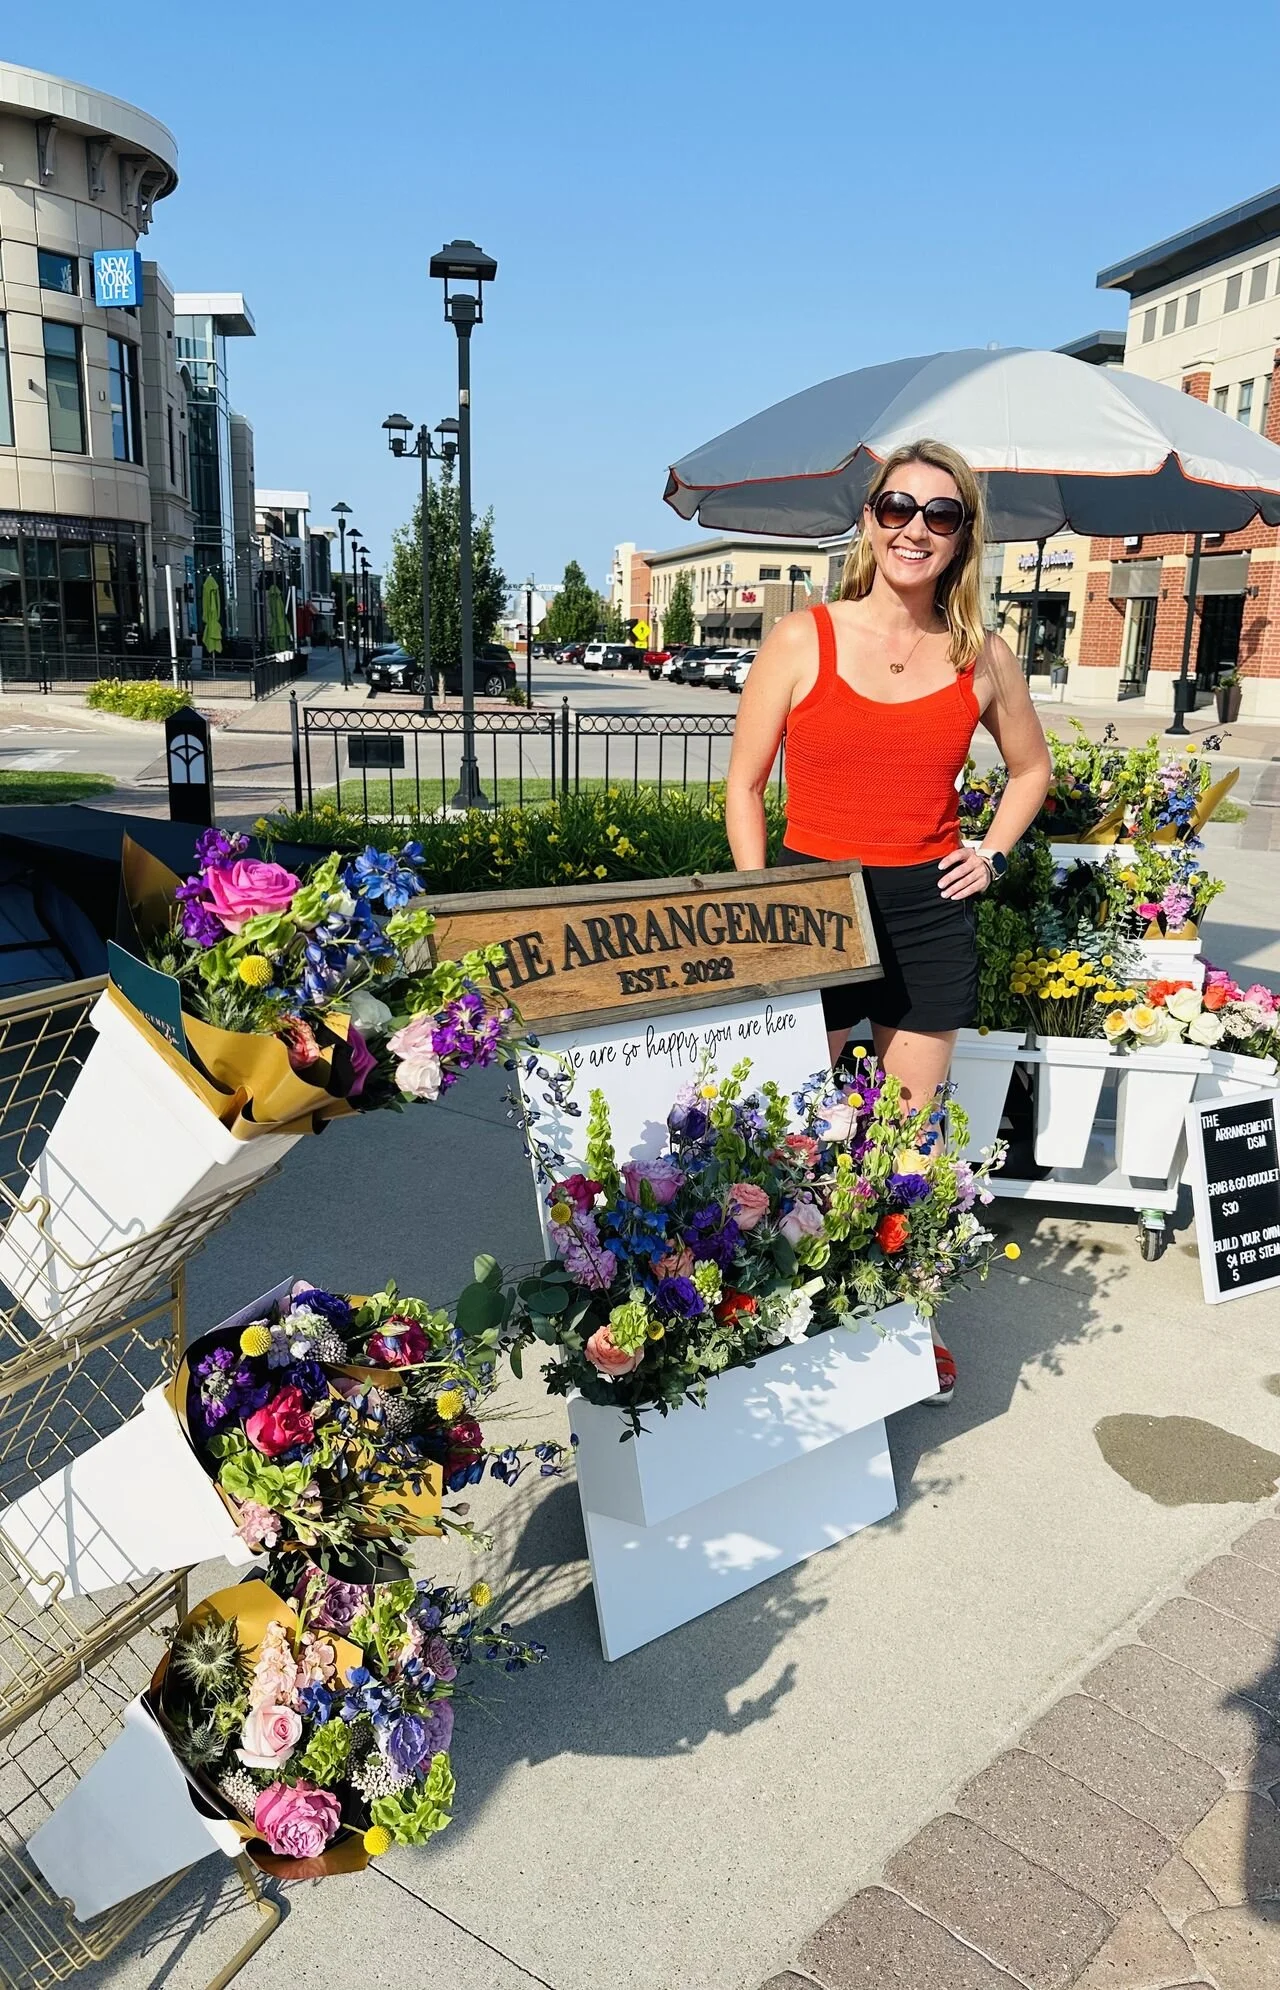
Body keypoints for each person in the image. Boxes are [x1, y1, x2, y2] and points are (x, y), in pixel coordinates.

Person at [725, 438, 1051, 1402]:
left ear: (962, 537)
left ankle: (904, 1323)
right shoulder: (801, 638)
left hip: (926, 912)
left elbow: (1030, 770)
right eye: (897, 507)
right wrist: (760, 902)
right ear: (868, 519)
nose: (915, 528)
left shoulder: (984, 657)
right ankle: (788, 1317)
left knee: (904, 1146)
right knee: (799, 1133)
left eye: (940, 515)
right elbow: (745, 787)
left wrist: (990, 850)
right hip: (811, 905)